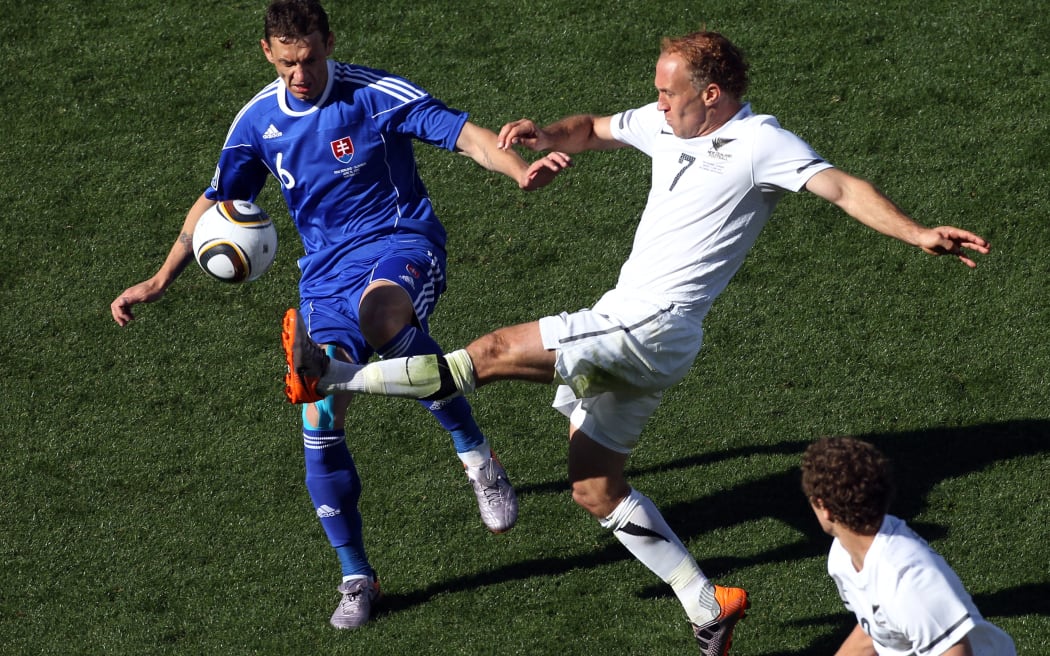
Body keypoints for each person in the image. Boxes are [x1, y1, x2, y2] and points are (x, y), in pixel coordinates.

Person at [281, 30, 990, 654]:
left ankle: (328, 376)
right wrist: (542, 137)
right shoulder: (663, 122)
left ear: (710, 95)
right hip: (639, 330)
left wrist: (917, 231)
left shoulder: (762, 143)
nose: (657, 101)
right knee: (594, 490)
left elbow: (840, 188)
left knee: (490, 354)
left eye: (668, 90)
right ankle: (707, 607)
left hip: (649, 324)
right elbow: (592, 127)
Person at [110, 0, 568, 630]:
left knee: (384, 316)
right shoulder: (257, 123)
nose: (301, 74)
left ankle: (477, 457)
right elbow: (218, 201)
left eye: (311, 59)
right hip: (324, 277)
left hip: (401, 242)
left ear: (329, 42)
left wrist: (520, 171)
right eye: (288, 62)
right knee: (319, 411)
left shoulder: (375, 94)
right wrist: (161, 279)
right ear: (268, 53)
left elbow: (466, 136)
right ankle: (357, 575)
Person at [801, 437, 1017, 655]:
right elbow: (878, 629)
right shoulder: (843, 556)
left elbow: (955, 651)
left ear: (823, 506)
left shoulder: (906, 577)